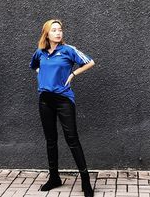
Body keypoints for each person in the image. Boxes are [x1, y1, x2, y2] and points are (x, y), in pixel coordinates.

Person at [29, 19, 95, 197]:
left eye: (60, 30)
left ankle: (86, 181)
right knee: (51, 141)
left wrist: (73, 74)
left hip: (64, 100)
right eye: (54, 30)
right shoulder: (40, 53)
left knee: (72, 139)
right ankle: (54, 178)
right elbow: (34, 66)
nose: (58, 33)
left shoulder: (68, 50)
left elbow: (90, 62)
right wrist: (43, 76)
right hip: (45, 100)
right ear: (47, 34)